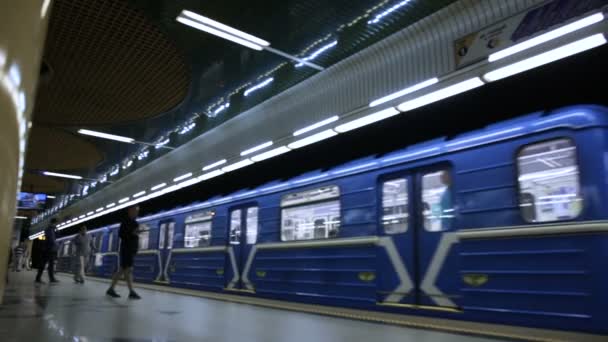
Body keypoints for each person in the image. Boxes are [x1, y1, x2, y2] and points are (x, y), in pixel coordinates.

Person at [106, 205, 141, 299]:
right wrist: (132, 233)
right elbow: (122, 235)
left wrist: (136, 248)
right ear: (130, 211)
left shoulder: (136, 223)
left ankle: (112, 289)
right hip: (126, 249)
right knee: (127, 270)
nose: (136, 213)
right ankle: (131, 291)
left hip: (131, 250)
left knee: (123, 270)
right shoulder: (125, 222)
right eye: (135, 211)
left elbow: (136, 238)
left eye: (137, 211)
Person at [36, 218, 59, 284]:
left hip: (50, 249)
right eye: (55, 224)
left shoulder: (51, 229)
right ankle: (38, 278)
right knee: (43, 264)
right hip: (47, 249)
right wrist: (55, 244)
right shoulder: (49, 229)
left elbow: (56, 236)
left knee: (50, 264)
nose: (56, 225)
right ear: (53, 223)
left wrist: (57, 230)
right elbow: (51, 240)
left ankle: (51, 278)